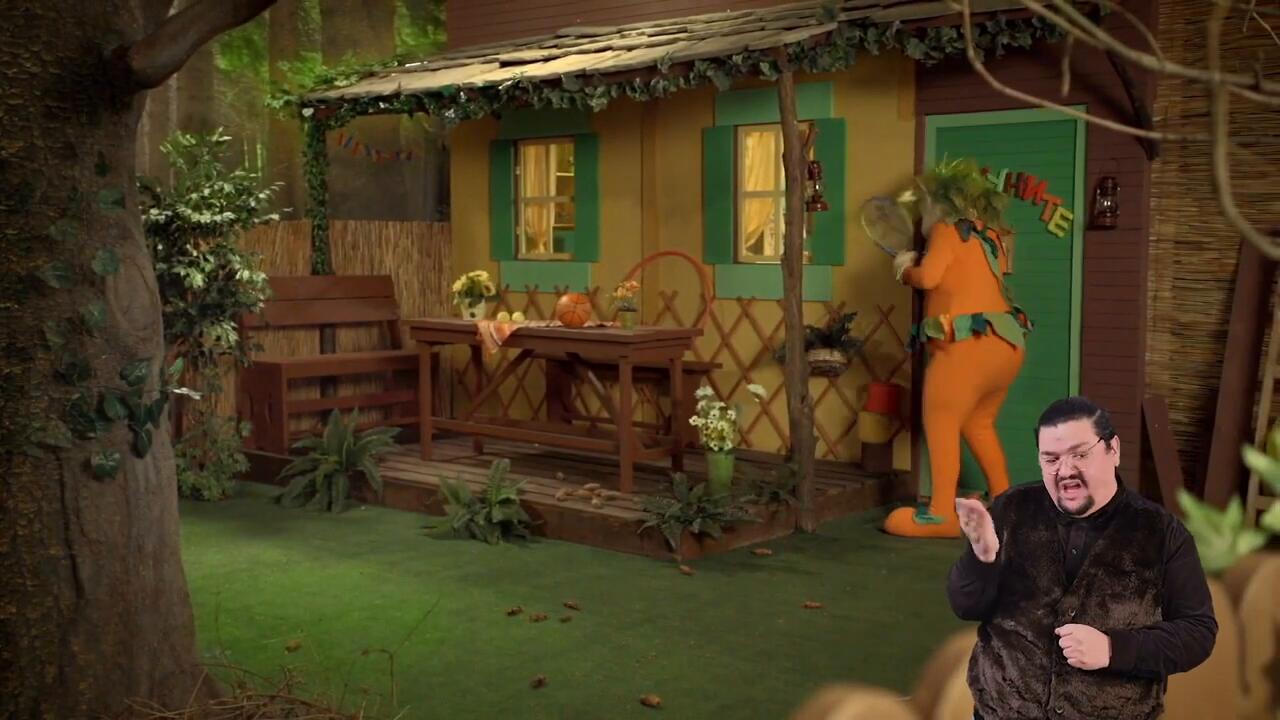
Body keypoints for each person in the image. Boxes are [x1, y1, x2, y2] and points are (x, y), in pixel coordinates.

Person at [947, 396, 1217, 720]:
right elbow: (965, 606)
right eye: (1051, 459)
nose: (1065, 471)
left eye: (1080, 454)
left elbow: (1198, 632)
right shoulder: (1010, 510)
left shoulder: (1163, 533)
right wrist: (981, 558)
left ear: (1113, 450)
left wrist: (1114, 649)